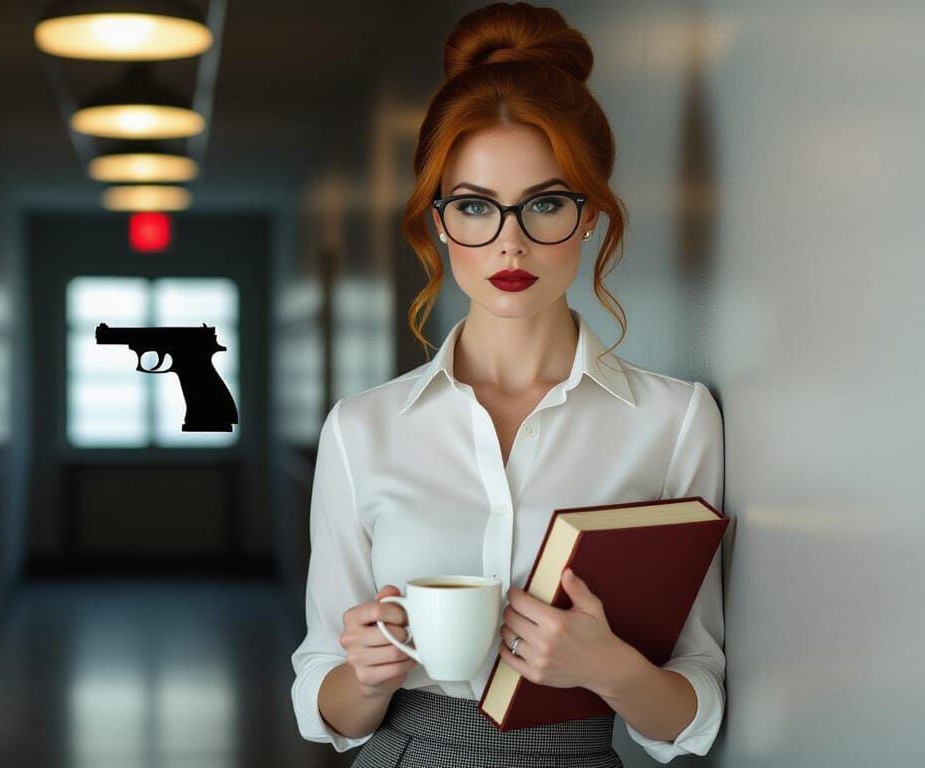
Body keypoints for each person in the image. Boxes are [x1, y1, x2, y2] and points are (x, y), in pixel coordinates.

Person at [289, 3, 727, 766]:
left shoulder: (676, 420)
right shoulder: (361, 429)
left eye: (546, 203)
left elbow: (691, 703)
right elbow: (322, 692)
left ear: (591, 216)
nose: (510, 240)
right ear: (436, 222)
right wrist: (365, 673)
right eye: (474, 207)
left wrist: (609, 670)